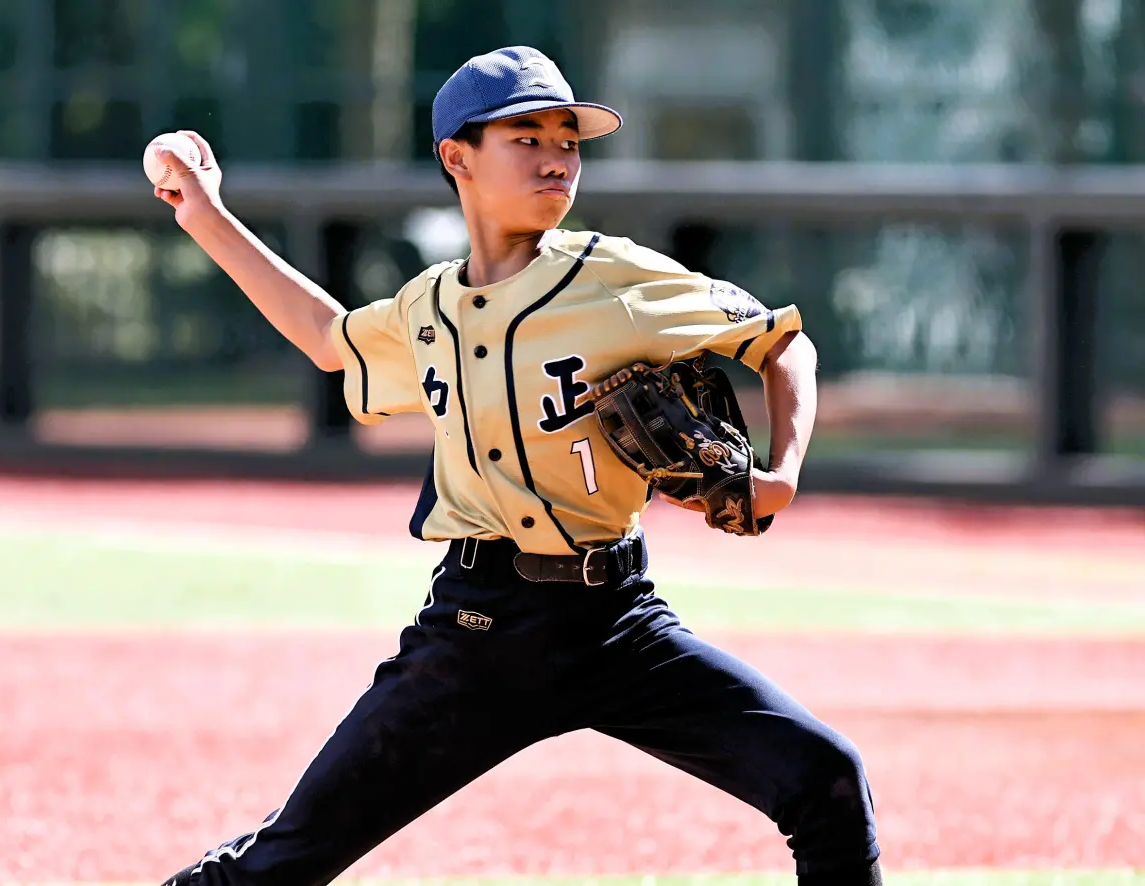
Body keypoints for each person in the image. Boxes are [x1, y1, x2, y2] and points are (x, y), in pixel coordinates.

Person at [153, 45, 882, 886]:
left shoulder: (618, 278)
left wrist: (782, 469)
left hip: (620, 623)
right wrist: (203, 214)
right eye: (526, 137)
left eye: (569, 140)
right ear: (457, 159)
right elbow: (329, 339)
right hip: (478, 633)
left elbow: (784, 343)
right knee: (281, 861)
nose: (556, 157)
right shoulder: (427, 307)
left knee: (826, 780)